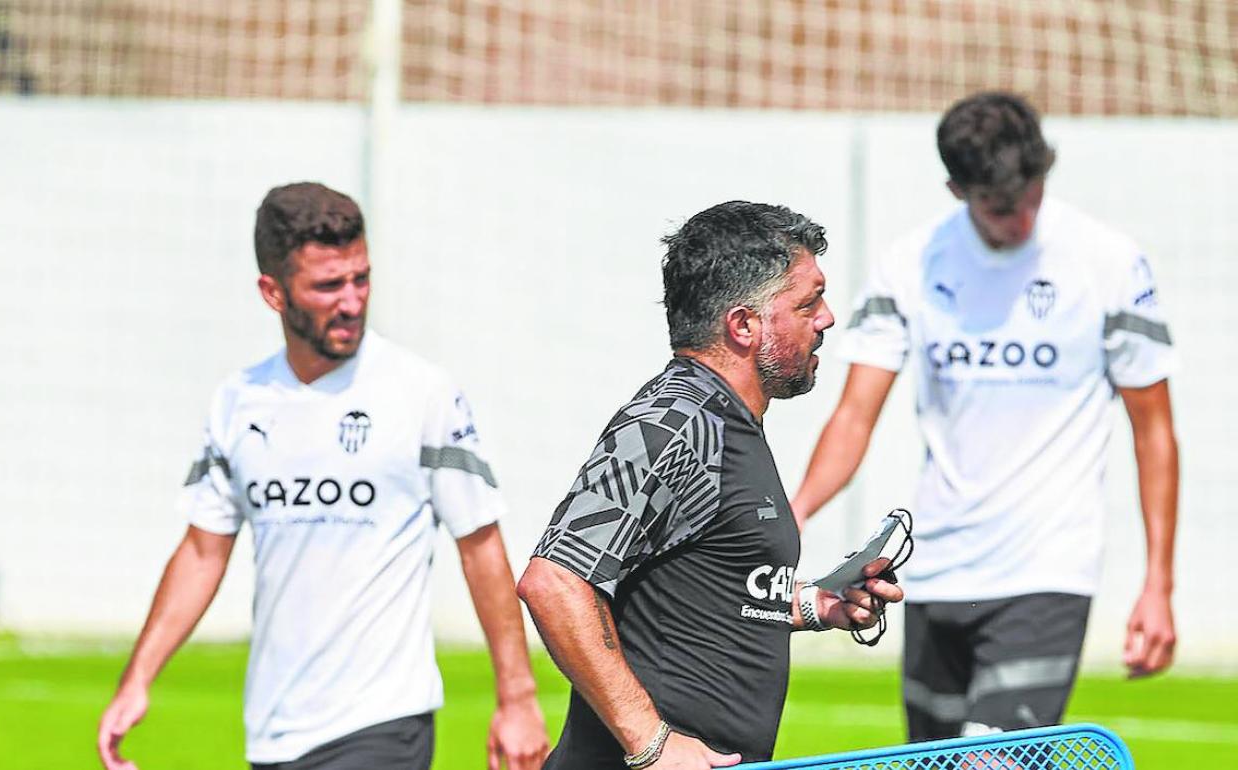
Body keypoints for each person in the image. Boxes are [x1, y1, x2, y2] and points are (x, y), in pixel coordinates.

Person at [96, 182, 550, 770]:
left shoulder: (421, 392)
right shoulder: (238, 402)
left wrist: (517, 698)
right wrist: (137, 681)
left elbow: (480, 545)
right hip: (272, 730)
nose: (352, 301)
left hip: (384, 721)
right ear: (273, 293)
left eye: (360, 278)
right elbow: (202, 553)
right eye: (328, 285)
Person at [792, 91, 1179, 740]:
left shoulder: (1109, 263)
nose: (1023, 218)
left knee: (986, 763)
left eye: (1034, 195)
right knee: (934, 762)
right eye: (1002, 208)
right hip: (934, 571)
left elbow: (1155, 431)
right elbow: (855, 415)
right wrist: (796, 511)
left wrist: (1157, 583)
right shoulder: (913, 264)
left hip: (1047, 571)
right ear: (956, 189)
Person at [516, 201, 905, 769]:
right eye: (807, 302)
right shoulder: (672, 423)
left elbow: (703, 592)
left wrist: (819, 604)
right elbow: (553, 582)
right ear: (744, 325)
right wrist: (651, 743)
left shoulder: (731, 421)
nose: (827, 319)